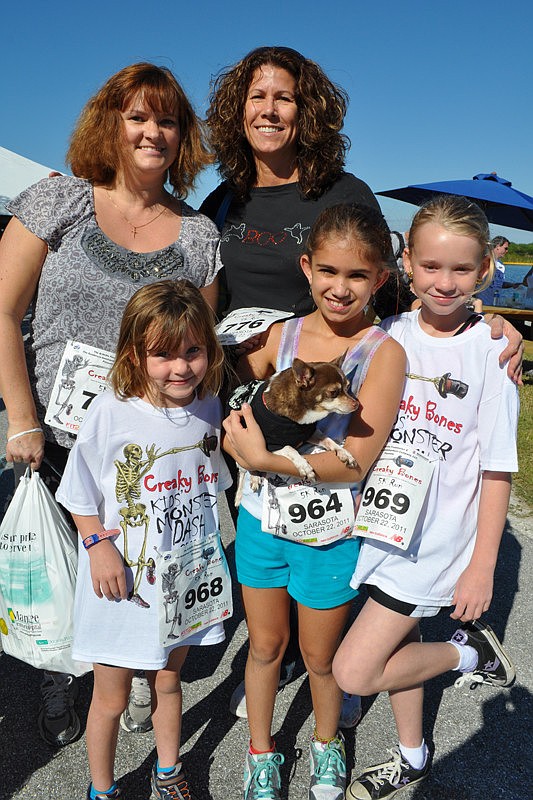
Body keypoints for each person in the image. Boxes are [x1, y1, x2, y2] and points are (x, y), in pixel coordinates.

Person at [0, 62, 221, 747]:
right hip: (53, 434)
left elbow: (203, 356)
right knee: (58, 572)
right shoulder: (60, 200)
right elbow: (4, 312)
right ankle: (57, 681)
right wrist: (23, 418)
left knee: (136, 568)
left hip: (143, 450)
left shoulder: (197, 237)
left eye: (167, 119)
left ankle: (125, 675)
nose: (152, 131)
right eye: (138, 116)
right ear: (111, 125)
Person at [332, 196, 518, 800]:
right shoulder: (387, 335)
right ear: (406, 261)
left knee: (353, 669)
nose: (445, 283)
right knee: (400, 642)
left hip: (435, 544)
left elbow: (496, 469)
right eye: (431, 266)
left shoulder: (494, 353)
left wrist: (482, 567)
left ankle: (466, 655)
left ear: (487, 269)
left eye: (461, 270)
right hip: (379, 527)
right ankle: (414, 755)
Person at [223, 203, 407, 800]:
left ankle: (327, 745)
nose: (340, 287)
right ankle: (261, 751)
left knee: (319, 656)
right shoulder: (284, 335)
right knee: (266, 647)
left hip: (328, 532)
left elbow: (358, 457)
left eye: (358, 275)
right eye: (328, 271)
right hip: (260, 521)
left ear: (381, 277)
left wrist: (265, 460)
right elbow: (226, 379)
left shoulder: (384, 352)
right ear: (306, 268)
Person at [55, 279, 231, 800]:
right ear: (135, 354)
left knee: (168, 682)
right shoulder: (112, 410)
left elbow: (211, 483)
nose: (181, 367)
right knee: (110, 698)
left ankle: (168, 770)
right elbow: (78, 489)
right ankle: (103, 788)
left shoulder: (210, 406)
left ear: (209, 349)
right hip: (122, 579)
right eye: (163, 355)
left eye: (193, 351)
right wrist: (96, 545)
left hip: (184, 576)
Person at [476, 235, 509, 306]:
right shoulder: (483, 261)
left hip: (494, 304)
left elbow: (499, 284)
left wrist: (513, 285)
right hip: (480, 304)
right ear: (497, 247)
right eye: (505, 248)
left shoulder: (501, 266)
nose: (507, 251)